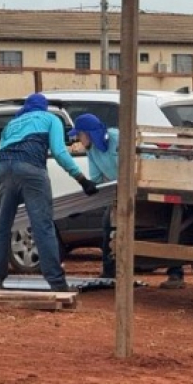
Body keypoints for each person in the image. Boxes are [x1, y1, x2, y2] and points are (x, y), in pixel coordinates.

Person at [0, 94, 98, 292]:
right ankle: (57, 283)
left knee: (2, 225)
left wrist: (0, 189)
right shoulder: (50, 119)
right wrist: (81, 179)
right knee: (42, 226)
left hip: (2, 169)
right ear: (43, 107)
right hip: (31, 169)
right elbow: (59, 151)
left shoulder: (11, 124)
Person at [68, 114, 119, 279]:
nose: (78, 139)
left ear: (89, 133)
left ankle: (175, 271)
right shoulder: (92, 151)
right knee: (107, 224)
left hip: (139, 189)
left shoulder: (117, 138)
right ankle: (109, 272)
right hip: (118, 193)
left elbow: (144, 159)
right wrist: (80, 206)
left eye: (80, 134)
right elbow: (96, 181)